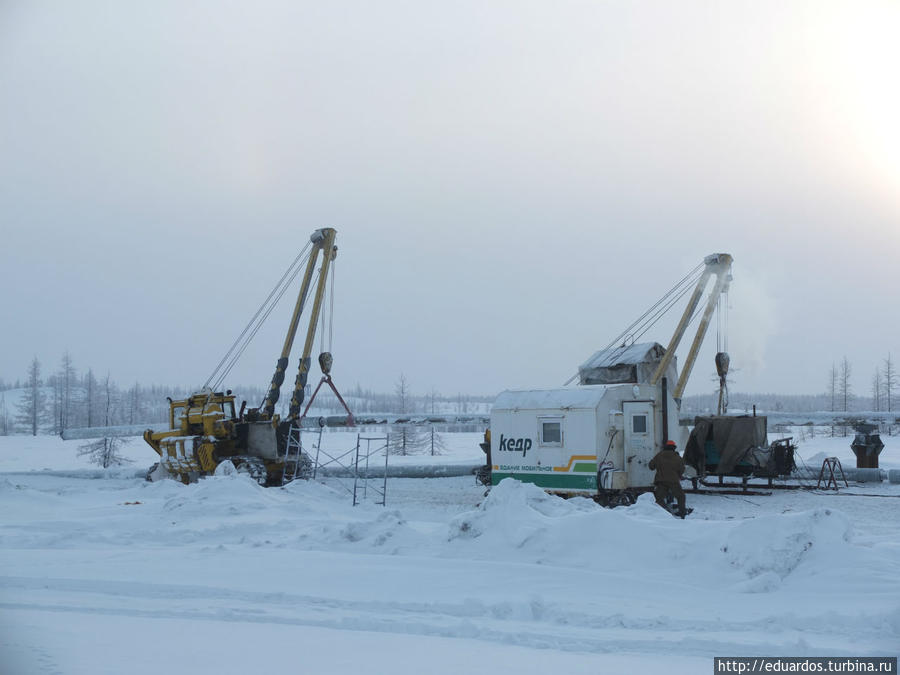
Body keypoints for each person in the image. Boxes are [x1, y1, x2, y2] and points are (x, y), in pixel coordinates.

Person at [648, 440, 687, 518]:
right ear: (673, 448)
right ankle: (682, 513)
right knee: (681, 497)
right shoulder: (677, 457)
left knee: (659, 499)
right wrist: (678, 475)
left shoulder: (659, 455)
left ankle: (664, 512)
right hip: (673, 481)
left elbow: (651, 466)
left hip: (661, 481)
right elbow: (682, 469)